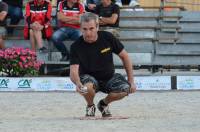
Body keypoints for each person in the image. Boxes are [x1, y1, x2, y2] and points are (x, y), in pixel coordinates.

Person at [70, 12, 136, 117]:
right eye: (85, 29)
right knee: (87, 87)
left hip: (109, 77)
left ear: (97, 27)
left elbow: (125, 57)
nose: (88, 33)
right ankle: (90, 106)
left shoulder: (108, 37)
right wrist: (78, 83)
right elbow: (73, 70)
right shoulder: (75, 46)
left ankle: (103, 104)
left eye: (91, 28)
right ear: (80, 29)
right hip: (88, 78)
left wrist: (131, 81)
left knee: (125, 88)